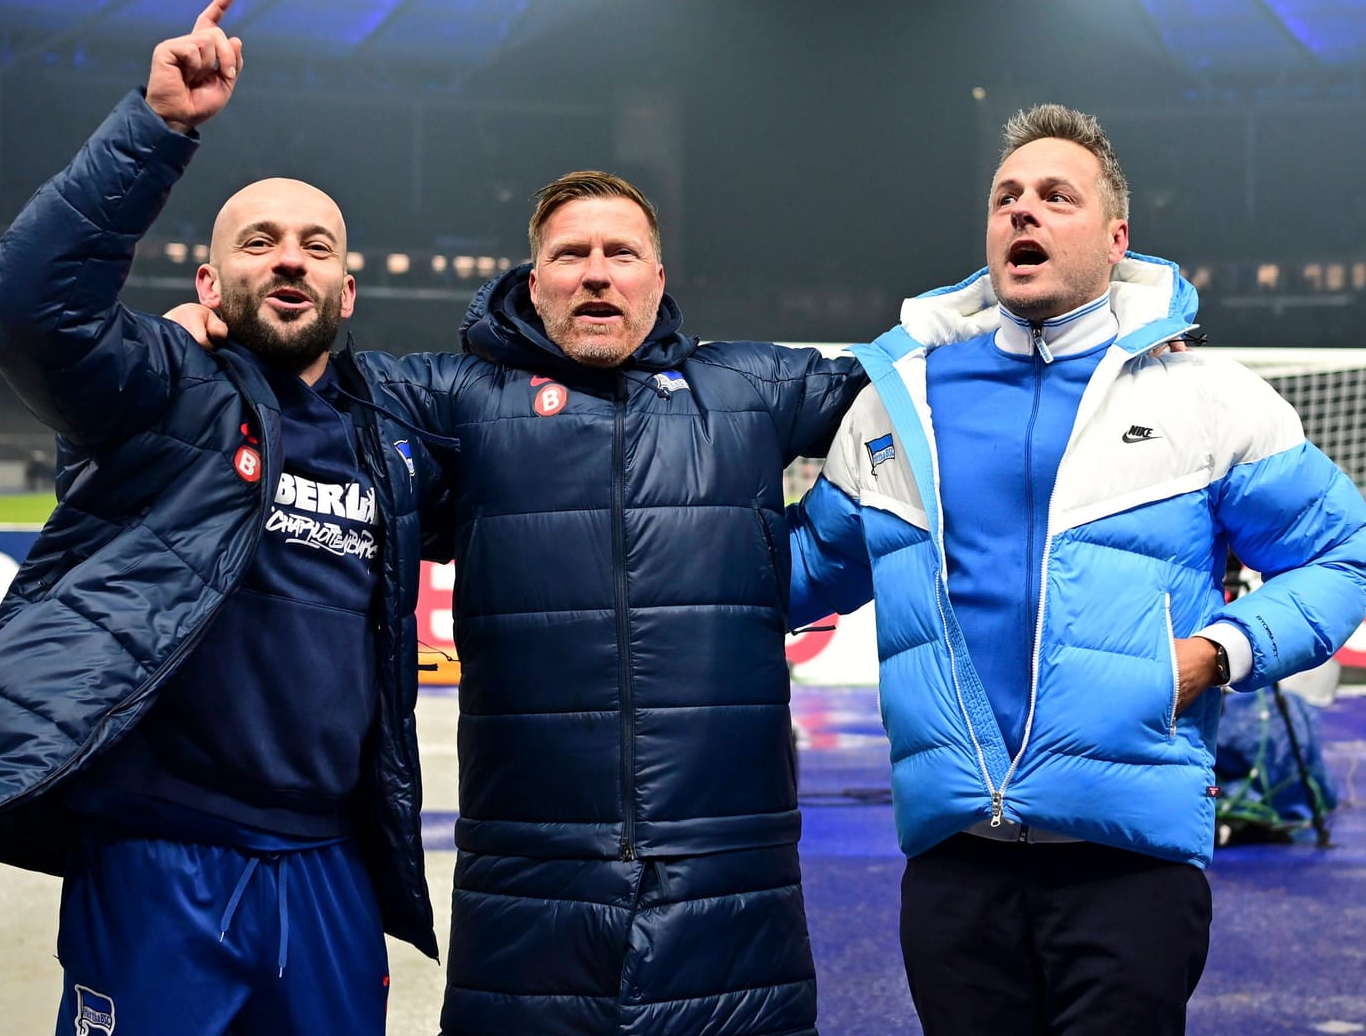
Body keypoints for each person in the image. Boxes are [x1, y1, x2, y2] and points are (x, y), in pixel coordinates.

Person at [170, 164, 865, 1033]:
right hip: (528, 897)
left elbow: (910, 409)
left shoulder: (750, 387)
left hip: (729, 892)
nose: (597, 272)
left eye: (622, 252)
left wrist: (802, 562)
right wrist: (200, 339)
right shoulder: (455, 399)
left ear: (659, 277)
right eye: (571, 255)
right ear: (534, 284)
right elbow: (297, 372)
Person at [0, 0, 445, 1035]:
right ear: (210, 277)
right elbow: (32, 309)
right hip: (159, 855)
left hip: (329, 864)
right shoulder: (159, 388)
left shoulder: (392, 440)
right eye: (261, 241)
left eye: (316, 244)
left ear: (347, 289)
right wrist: (160, 129)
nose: (289, 258)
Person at [787, 104, 1366, 1035]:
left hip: (1129, 867)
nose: (1024, 211)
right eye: (1007, 197)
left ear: (1116, 240)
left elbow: (1344, 557)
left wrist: (1218, 652)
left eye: (1056, 197)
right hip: (954, 861)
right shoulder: (894, 406)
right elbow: (799, 571)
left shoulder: (1208, 399)